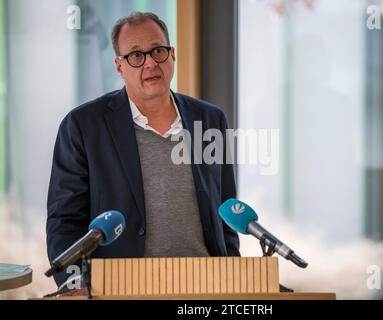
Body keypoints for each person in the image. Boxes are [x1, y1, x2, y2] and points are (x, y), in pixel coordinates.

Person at [46, 12, 240, 288]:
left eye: (158, 51)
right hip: (119, 288)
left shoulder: (210, 120)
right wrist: (74, 286)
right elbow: (64, 221)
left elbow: (226, 211)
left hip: (204, 285)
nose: (150, 63)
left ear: (172, 56)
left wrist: (233, 278)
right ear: (119, 66)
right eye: (136, 56)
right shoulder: (83, 126)